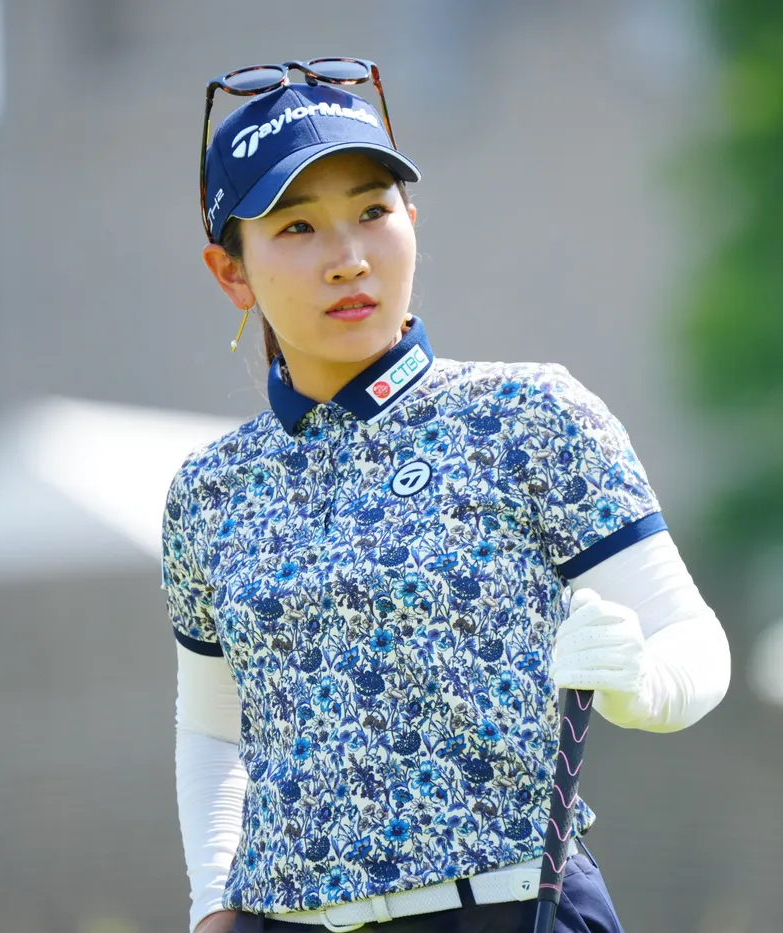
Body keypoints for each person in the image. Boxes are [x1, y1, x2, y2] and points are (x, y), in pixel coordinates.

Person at [164, 59, 731, 933]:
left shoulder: (529, 415)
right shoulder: (209, 492)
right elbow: (213, 730)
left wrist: (641, 683)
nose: (349, 259)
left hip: (513, 908)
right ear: (231, 272)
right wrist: (213, 904)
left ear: (412, 222)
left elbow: (693, 639)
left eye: (372, 212)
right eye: (297, 226)